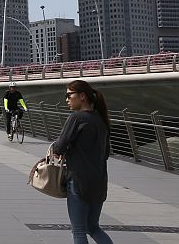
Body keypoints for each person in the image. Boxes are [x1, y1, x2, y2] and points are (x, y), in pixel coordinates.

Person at [53, 80, 113, 244]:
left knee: (79, 230)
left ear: (82, 96)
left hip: (78, 181)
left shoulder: (76, 118)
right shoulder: (101, 121)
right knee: (93, 227)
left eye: (68, 95)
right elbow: (106, 153)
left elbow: (59, 147)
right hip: (99, 181)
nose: (66, 99)